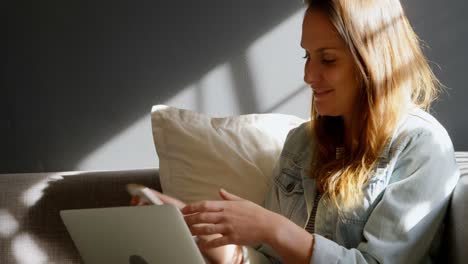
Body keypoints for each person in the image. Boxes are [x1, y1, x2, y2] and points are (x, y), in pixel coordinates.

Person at [131, 0, 460, 263]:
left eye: (327, 59)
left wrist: (273, 228)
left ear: (372, 63)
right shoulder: (303, 143)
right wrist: (191, 226)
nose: (308, 75)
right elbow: (268, 259)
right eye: (307, 56)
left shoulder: (420, 146)